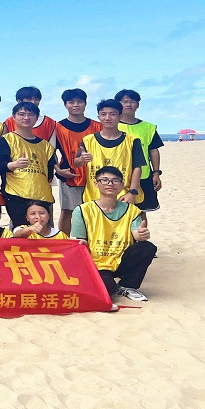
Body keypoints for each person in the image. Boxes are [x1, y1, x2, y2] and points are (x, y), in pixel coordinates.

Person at [72, 167, 155, 303]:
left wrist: (142, 234)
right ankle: (109, 283)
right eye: (104, 180)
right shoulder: (82, 210)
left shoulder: (132, 210)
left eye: (115, 180)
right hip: (97, 263)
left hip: (122, 259)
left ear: (122, 185)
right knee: (107, 288)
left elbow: (137, 234)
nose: (110, 184)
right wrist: (82, 243)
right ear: (96, 183)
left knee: (147, 247)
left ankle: (127, 286)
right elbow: (79, 240)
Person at [0, 102, 57, 227]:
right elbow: (1, 165)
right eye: (21, 114)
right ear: (14, 117)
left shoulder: (45, 145)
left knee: (42, 230)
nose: (26, 118)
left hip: (42, 195)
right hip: (16, 193)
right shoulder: (6, 139)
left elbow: (50, 172)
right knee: (22, 230)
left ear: (37, 118)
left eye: (31, 115)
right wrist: (14, 164)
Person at [53, 89, 103, 235]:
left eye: (80, 101)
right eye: (71, 102)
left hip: (95, 175)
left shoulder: (97, 126)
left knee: (95, 210)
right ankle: (64, 241)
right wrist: (58, 170)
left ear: (85, 104)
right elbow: (50, 151)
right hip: (70, 175)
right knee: (68, 211)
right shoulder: (58, 127)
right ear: (65, 105)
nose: (76, 105)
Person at [76, 100, 144, 205]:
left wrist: (132, 192)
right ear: (98, 117)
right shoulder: (88, 140)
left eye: (112, 114)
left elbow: (137, 167)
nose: (107, 118)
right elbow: (77, 163)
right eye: (103, 114)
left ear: (120, 116)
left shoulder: (132, 141)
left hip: (123, 196)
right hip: (94, 196)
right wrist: (81, 159)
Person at [116, 89, 164, 219]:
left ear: (138, 105)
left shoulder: (148, 127)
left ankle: (141, 233)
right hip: (118, 175)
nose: (128, 104)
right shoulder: (111, 125)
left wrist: (156, 173)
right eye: (124, 101)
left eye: (132, 101)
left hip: (144, 174)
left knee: (141, 212)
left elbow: (153, 150)